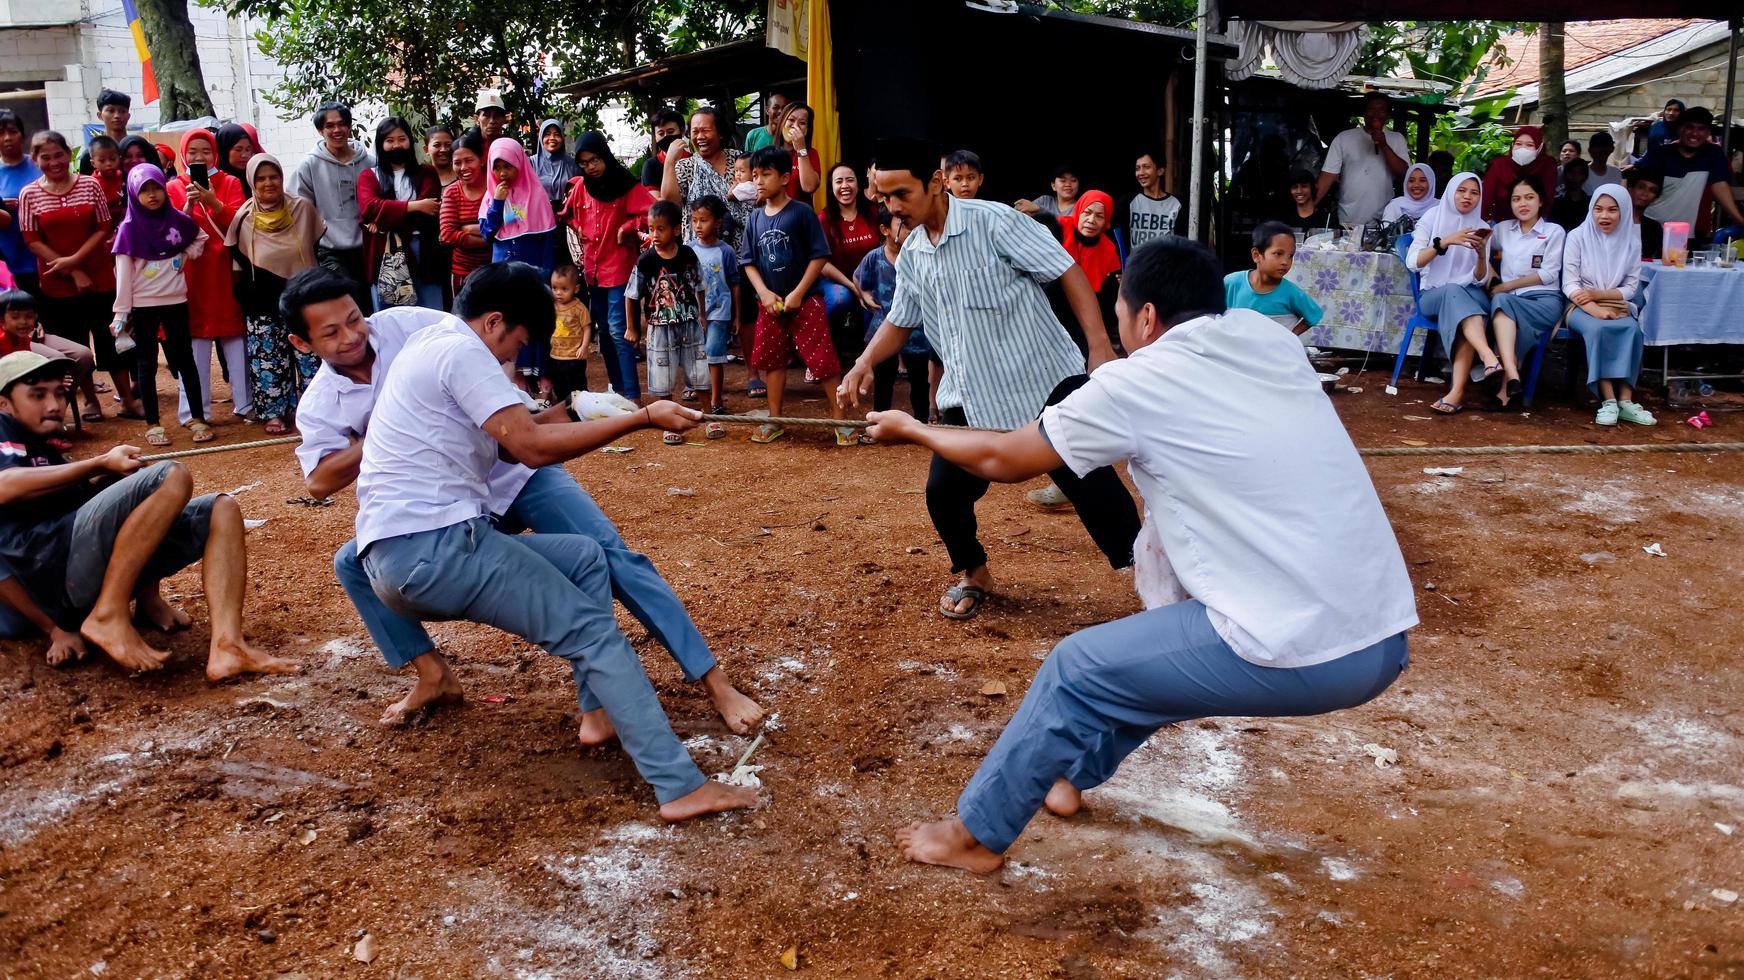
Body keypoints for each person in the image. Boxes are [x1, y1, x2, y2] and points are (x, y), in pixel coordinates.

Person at [871, 238, 1415, 874]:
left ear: (1147, 317)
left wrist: (911, 427)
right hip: (1382, 631)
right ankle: (1065, 777)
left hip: (1307, 645)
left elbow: (1001, 459)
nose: (1120, 327)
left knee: (1078, 668)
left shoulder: (1141, 381)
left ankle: (976, 836)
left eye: (1121, 312)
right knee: (1147, 665)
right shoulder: (1270, 342)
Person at [339, 264, 761, 821]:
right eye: (514, 341)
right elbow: (533, 449)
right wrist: (641, 420)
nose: (512, 356)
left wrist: (584, 408)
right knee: (591, 633)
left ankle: (600, 712)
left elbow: (514, 447)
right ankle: (679, 785)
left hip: (395, 553)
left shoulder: (430, 341)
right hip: (438, 550)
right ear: (493, 322)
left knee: (585, 558)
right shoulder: (463, 351)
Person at [845, 137, 1141, 620]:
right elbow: (900, 320)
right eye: (883, 197)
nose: (893, 208)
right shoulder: (914, 251)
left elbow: (1066, 270)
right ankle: (973, 571)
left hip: (1044, 378)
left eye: (901, 194)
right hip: (971, 388)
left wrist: (1099, 346)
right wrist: (861, 363)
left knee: (1092, 485)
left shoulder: (995, 221)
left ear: (936, 182)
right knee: (944, 493)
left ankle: (1146, 573)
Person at [0, 350, 302, 676]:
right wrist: (99, 463)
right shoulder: (3, 430)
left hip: (71, 572)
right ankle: (109, 614)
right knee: (170, 475)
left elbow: (76, 497)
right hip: (43, 590)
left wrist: (105, 474)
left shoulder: (41, 444)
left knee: (221, 508)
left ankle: (228, 647)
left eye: (59, 393)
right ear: (4, 403)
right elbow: (6, 485)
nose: (54, 405)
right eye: (37, 395)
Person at [18, 131, 134, 419]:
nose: (54, 162)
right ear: (35, 160)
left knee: (110, 338)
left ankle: (129, 401)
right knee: (74, 344)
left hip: (99, 276)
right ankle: (90, 403)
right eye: (45, 157)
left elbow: (104, 227)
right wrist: (71, 270)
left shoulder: (90, 184)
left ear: (68, 154)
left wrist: (76, 262)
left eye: (58, 155)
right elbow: (32, 239)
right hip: (57, 283)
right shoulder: (29, 194)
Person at [738, 146, 848, 445]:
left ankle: (842, 419)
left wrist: (799, 292)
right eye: (756, 175)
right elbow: (747, 262)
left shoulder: (802, 212)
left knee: (823, 360)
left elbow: (819, 256)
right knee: (772, 362)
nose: (758, 181)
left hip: (806, 301)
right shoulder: (755, 218)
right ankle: (775, 419)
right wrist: (763, 292)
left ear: (785, 178)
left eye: (766, 174)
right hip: (770, 305)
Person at [111, 163, 210, 447]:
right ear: (133, 193)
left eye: (157, 187)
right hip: (143, 306)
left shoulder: (176, 218)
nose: (152, 195)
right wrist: (121, 312)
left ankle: (197, 417)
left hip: (176, 300)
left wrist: (185, 255)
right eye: (144, 190)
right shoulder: (128, 229)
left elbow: (199, 237)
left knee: (185, 359)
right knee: (147, 364)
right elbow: (124, 275)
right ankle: (153, 423)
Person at [225, 153, 324, 434]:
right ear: (252, 183)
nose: (269, 183)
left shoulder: (303, 209)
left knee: (310, 356)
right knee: (269, 358)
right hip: (261, 299)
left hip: (303, 296)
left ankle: (315, 411)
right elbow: (237, 263)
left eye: (274, 176)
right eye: (261, 178)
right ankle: (274, 412)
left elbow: (315, 248)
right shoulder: (244, 217)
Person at [169, 128, 251, 431]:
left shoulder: (229, 182)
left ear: (214, 153)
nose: (199, 157)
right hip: (191, 272)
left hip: (226, 270)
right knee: (194, 341)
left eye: (205, 151)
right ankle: (193, 411)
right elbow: (171, 229)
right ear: (183, 154)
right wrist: (189, 205)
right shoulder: (172, 187)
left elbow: (239, 220)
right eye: (193, 152)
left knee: (235, 335)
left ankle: (246, 405)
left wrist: (213, 201)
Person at [564, 130, 654, 401]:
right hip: (593, 268)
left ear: (605, 156)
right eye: (584, 162)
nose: (590, 167)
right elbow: (568, 214)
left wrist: (628, 227)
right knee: (603, 329)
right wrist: (579, 227)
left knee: (618, 328)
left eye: (594, 160)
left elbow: (651, 214)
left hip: (619, 268)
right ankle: (617, 388)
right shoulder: (581, 186)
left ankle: (631, 394)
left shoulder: (625, 184)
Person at [1406, 172, 1497, 415]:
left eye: (1474, 192)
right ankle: (1487, 355)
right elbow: (1412, 261)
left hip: (1469, 294)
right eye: (1462, 190)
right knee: (1460, 301)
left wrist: (1480, 255)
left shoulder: (1482, 226)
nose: (1468, 197)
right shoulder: (1432, 218)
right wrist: (1443, 242)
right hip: (1433, 295)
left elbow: (1479, 279)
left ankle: (1456, 393)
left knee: (1466, 312)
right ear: (1451, 191)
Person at [1564, 186, 1653, 426]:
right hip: (1579, 306)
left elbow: (1631, 288)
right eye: (1598, 209)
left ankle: (1625, 400)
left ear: (1623, 211)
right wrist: (1594, 308)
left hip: (1615, 303)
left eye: (1612, 210)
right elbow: (1569, 284)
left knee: (1632, 331)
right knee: (1599, 330)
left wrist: (1598, 293)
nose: (1604, 216)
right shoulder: (1577, 236)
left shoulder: (1632, 242)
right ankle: (1608, 401)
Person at [480, 137, 559, 395]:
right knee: (510, 321)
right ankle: (518, 377)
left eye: (509, 166)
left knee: (536, 320)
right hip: (503, 270)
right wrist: (499, 202)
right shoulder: (491, 195)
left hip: (533, 270)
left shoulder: (536, 193)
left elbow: (548, 236)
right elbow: (487, 233)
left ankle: (545, 376)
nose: (503, 173)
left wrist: (546, 274)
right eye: (497, 167)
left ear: (520, 164)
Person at [1486, 175, 1565, 411]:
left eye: (1530, 197)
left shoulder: (1554, 231)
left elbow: (1549, 274)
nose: (1523, 204)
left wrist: (1505, 286)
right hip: (1512, 301)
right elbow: (1479, 250)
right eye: (1516, 199)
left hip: (1544, 300)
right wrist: (1492, 272)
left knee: (1501, 303)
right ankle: (1511, 380)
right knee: (1503, 308)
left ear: (1541, 201)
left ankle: (1507, 380)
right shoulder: (1501, 230)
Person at [290, 101, 375, 311]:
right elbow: (298, 209)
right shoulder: (309, 165)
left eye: (341, 124)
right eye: (329, 126)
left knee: (371, 306)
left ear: (349, 126)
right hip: (331, 250)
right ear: (321, 130)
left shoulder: (369, 162)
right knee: (346, 306)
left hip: (368, 246)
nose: (337, 130)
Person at [625, 201, 707, 412]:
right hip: (659, 327)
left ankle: (709, 416)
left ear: (676, 229)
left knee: (700, 371)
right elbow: (631, 295)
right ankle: (668, 421)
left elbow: (699, 286)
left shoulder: (688, 255)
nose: (654, 235)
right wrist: (631, 327)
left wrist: (703, 316)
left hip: (689, 323)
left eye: (661, 229)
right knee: (662, 376)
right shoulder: (646, 261)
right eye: (651, 229)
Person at [356, 116, 445, 311]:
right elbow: (369, 207)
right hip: (384, 255)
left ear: (410, 141)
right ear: (380, 144)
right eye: (389, 140)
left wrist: (382, 221)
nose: (396, 145)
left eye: (401, 139)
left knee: (430, 314)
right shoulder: (369, 176)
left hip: (423, 253)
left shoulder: (427, 173)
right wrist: (414, 206)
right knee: (390, 319)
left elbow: (426, 215)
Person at [854, 204, 934, 418]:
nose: (911, 229)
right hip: (882, 332)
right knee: (883, 381)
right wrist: (864, 293)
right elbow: (858, 276)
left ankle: (922, 425)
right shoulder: (874, 258)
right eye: (903, 224)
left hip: (917, 335)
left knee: (920, 383)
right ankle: (878, 422)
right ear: (885, 230)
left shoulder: (920, 255)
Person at [1642, 107, 1744, 242]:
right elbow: (1640, 191)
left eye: (1701, 129)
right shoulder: (1660, 154)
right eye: (1689, 127)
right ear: (1680, 129)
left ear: (1708, 132)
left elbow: (1720, 186)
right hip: (1651, 225)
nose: (1695, 133)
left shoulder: (1713, 154)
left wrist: (1740, 220)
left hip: (1685, 232)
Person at [1315, 92, 1410, 227]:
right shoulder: (1344, 138)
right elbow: (1328, 175)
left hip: (1384, 219)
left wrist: (1383, 145)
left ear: (1388, 115)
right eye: (1371, 109)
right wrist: (1311, 204)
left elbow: (1405, 175)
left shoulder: (1397, 139)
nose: (1376, 114)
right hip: (1348, 218)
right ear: (1364, 113)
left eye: (1381, 110)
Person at [687, 194, 739, 428]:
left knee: (714, 354)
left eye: (704, 220)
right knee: (695, 353)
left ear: (717, 222)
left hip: (719, 311)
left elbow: (735, 282)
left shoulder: (725, 251)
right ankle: (699, 392)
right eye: (694, 220)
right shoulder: (688, 250)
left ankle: (716, 399)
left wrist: (736, 315)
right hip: (695, 312)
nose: (698, 226)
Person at [662, 107, 747, 249]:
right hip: (700, 254)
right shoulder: (685, 166)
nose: (700, 136)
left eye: (706, 130)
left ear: (720, 133)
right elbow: (670, 203)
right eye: (695, 132)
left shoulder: (739, 160)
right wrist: (669, 162)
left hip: (742, 251)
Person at [1223, 221, 1322, 336]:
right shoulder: (1232, 283)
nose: (1285, 262)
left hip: (1272, 352)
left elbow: (1314, 315)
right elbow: (1212, 312)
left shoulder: (1290, 292)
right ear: (1256, 255)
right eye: (1278, 254)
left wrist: (1290, 336)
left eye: (1290, 256)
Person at [820, 162, 880, 351]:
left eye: (850, 180)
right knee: (841, 299)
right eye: (839, 181)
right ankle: (822, 352)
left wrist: (865, 286)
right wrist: (854, 287)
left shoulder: (873, 212)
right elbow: (822, 264)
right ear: (831, 188)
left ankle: (875, 354)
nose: (845, 186)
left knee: (879, 297)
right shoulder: (824, 218)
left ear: (858, 184)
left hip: (870, 278)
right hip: (836, 280)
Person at [0, 290, 95, 410]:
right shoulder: (3, 340)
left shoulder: (23, 339)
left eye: (29, 317)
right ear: (2, 320)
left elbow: (26, 364)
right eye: (15, 317)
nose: (23, 322)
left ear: (35, 317)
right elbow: (11, 373)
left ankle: (52, 411)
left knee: (78, 357)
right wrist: (47, 380)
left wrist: (52, 379)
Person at [1062, 190, 1123, 348]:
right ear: (1079, 210)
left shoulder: (1108, 249)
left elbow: (1108, 297)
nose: (1091, 220)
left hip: (1085, 318)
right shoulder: (1059, 228)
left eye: (1099, 216)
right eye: (1087, 213)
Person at [438, 130, 492, 294]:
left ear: (482, 159)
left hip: (496, 270)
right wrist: (489, 238)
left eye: (469, 160)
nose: (463, 168)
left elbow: (510, 224)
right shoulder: (451, 192)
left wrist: (469, 229)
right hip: (463, 274)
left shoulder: (496, 189)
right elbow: (447, 234)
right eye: (457, 162)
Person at [1480, 125, 1560, 224]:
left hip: (1535, 222)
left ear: (1539, 148)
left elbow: (1548, 197)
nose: (1523, 148)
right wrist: (1482, 223)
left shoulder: (1547, 165)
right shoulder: (1500, 165)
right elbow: (1486, 198)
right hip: (1502, 221)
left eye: (1529, 145)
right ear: (1512, 145)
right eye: (1518, 144)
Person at [0, 110, 41, 296]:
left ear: (22, 135)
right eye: (1, 133)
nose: (7, 138)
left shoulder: (40, 165)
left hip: (43, 255)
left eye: (12, 131)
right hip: (6, 257)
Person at [1114, 149, 1180, 255]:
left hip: (1166, 268)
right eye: (1137, 168)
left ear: (1160, 171)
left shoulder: (1176, 204)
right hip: (1136, 267)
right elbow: (1110, 229)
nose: (1140, 173)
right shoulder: (1128, 202)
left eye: (1146, 167)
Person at [545, 263, 590, 403]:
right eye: (554, 288)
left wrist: (584, 347)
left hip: (574, 357)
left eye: (564, 289)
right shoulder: (551, 307)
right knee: (559, 385)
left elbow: (587, 327)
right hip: (556, 356)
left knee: (577, 386)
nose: (558, 292)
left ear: (575, 289)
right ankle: (563, 409)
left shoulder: (579, 308)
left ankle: (581, 409)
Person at [77, 89, 131, 176]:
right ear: (100, 115)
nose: (117, 116)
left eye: (122, 111)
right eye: (111, 111)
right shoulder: (89, 156)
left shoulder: (141, 149)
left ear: (128, 116)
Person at [777, 101, 820, 208]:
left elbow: (809, 187)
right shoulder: (770, 153)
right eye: (791, 120)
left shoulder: (811, 154)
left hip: (802, 217)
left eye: (802, 123)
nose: (795, 126)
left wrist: (801, 149)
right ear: (782, 122)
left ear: (807, 129)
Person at [531, 119, 577, 215]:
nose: (552, 138)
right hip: (538, 219)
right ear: (541, 138)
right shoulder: (531, 164)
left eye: (557, 134)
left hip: (567, 219)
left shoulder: (572, 165)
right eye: (547, 134)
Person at [635, 109, 685, 188]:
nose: (666, 136)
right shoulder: (651, 166)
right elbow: (655, 199)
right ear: (655, 136)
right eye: (661, 133)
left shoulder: (694, 160)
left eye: (671, 131)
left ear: (682, 131)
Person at [1275, 169, 1335, 234]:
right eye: (1295, 187)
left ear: (1312, 188)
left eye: (1304, 186)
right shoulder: (1283, 220)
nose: (1299, 191)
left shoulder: (1327, 219)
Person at [1624, 165, 1665, 260]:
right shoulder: (1613, 221)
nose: (1645, 193)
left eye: (1652, 190)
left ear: (1655, 198)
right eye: (1641, 187)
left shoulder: (1654, 228)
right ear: (1630, 189)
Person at [1014, 164, 1080, 218]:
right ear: (1053, 186)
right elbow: (1020, 211)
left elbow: (1066, 224)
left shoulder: (1081, 207)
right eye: (1063, 181)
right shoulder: (1045, 201)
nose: (1068, 184)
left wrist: (1039, 210)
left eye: (1073, 180)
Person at [86, 136, 125, 218]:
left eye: (113, 159)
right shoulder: (92, 184)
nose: (108, 164)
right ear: (93, 163)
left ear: (119, 159)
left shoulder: (122, 176)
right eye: (102, 160)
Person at [214, 123, 256, 198]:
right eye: (238, 149)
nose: (244, 155)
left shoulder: (254, 178)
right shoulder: (214, 182)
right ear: (224, 150)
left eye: (247, 149)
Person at [1549, 159, 1591, 230]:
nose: (1574, 177)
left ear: (1585, 177)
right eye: (1571, 172)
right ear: (1565, 175)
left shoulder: (1590, 205)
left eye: (1579, 173)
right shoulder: (1555, 204)